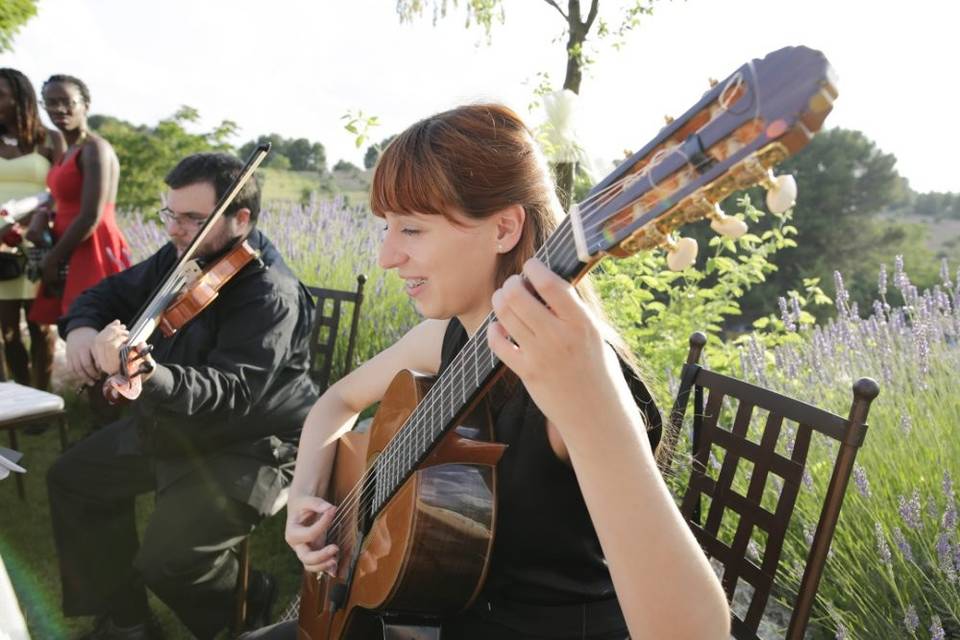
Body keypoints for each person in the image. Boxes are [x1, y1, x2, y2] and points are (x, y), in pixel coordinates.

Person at [262, 104, 730, 639]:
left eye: (411, 230)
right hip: (424, 617)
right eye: (387, 228)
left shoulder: (578, 381)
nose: (387, 255)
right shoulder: (450, 337)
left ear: (504, 228)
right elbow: (335, 404)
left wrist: (594, 405)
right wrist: (306, 498)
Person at [46, 152, 319, 640]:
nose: (175, 229)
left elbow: (232, 392)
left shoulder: (269, 294)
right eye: (170, 214)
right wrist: (84, 330)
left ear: (241, 219)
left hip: (254, 443)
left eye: (194, 218)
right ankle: (128, 619)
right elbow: (104, 294)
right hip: (179, 423)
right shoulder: (183, 255)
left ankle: (246, 601)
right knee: (73, 478)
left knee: (169, 562)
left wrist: (149, 376)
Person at [27, 74, 130, 327]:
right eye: (50, 103)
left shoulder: (95, 149)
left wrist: (53, 259)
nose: (59, 109)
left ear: (85, 104)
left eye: (67, 102)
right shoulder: (69, 151)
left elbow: (90, 216)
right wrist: (44, 214)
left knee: (93, 328)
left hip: (91, 244)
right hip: (67, 245)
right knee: (74, 329)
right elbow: (62, 196)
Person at [0, 67, 62, 389]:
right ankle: (18, 392)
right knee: (6, 330)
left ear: (19, 99)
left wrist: (31, 223)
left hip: (37, 241)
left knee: (40, 326)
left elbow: (61, 190)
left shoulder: (49, 139)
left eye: (1, 95)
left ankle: (44, 391)